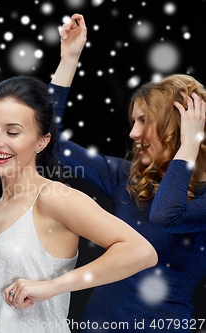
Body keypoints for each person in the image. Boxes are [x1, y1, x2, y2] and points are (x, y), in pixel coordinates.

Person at [0, 32, 158, 332]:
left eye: (13, 131)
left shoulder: (53, 197)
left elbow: (141, 252)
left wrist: (54, 286)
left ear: (42, 141)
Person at [51, 13, 206, 332]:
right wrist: (68, 60)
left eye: (144, 121)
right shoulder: (125, 175)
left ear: (175, 127)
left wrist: (188, 147)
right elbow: (50, 143)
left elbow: (166, 215)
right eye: (132, 121)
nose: (133, 133)